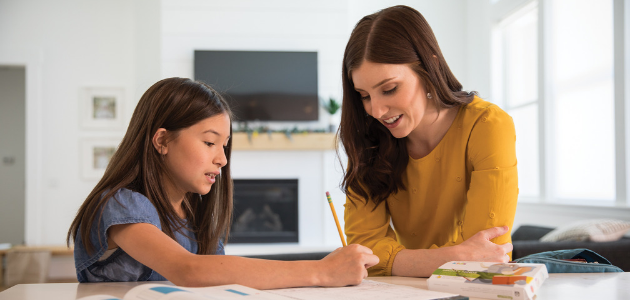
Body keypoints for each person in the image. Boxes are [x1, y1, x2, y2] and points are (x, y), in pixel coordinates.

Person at [67, 77, 378, 289]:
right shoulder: (121, 204)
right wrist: (320, 271)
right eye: (209, 143)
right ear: (162, 140)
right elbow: (188, 270)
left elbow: (219, 280)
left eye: (225, 146)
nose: (222, 159)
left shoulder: (196, 218)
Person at [338, 5, 517, 277]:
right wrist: (451, 258)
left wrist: (404, 262)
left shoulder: (488, 125)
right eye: (364, 95)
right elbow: (364, 252)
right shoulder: (368, 138)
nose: (375, 111)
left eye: (389, 89)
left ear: (428, 66)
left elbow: (485, 256)